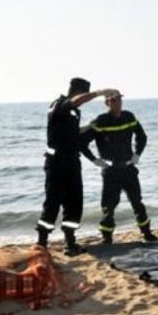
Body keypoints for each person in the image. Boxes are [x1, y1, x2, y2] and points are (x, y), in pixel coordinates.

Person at [35, 78, 117, 256]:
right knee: (53, 201)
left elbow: (71, 133)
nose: (85, 100)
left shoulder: (73, 112)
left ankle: (70, 244)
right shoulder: (61, 104)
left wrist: (89, 128)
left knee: (74, 202)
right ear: (78, 92)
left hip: (72, 162)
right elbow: (75, 101)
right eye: (84, 94)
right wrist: (100, 92)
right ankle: (41, 243)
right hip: (57, 163)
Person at [80, 93, 158, 244]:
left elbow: (142, 136)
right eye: (113, 100)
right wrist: (94, 159)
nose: (117, 103)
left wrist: (137, 154)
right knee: (109, 206)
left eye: (119, 100)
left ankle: (147, 233)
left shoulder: (129, 117)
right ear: (107, 103)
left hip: (129, 169)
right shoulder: (101, 121)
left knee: (137, 201)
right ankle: (107, 237)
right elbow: (82, 143)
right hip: (111, 171)